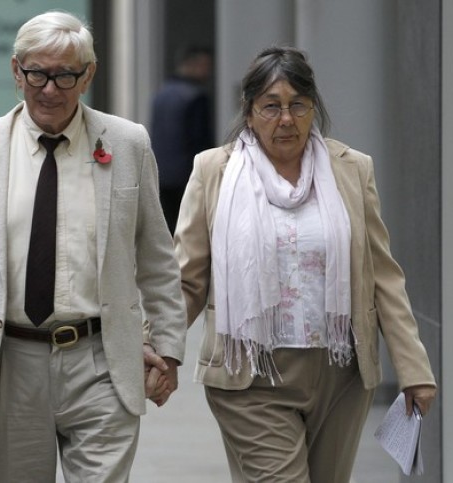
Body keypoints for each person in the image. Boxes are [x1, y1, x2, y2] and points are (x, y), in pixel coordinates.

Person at [0, 11, 186, 482]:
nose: (50, 89)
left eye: (65, 75)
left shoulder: (128, 144)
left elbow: (157, 258)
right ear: (16, 72)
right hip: (7, 363)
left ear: (88, 75)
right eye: (37, 73)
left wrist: (169, 347)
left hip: (102, 362)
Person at [174, 46, 437, 483]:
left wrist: (414, 370)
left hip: (342, 375)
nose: (286, 119)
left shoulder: (351, 170)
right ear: (250, 110)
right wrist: (158, 351)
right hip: (250, 373)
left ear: (314, 108)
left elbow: (384, 278)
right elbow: (187, 280)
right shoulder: (214, 171)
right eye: (271, 106)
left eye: (298, 105)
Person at [150, 46, 214, 233]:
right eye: (205, 65)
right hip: (187, 175)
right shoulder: (196, 97)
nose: (208, 71)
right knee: (190, 230)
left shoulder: (161, 94)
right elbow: (200, 140)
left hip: (162, 174)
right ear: (192, 65)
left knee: (169, 229)